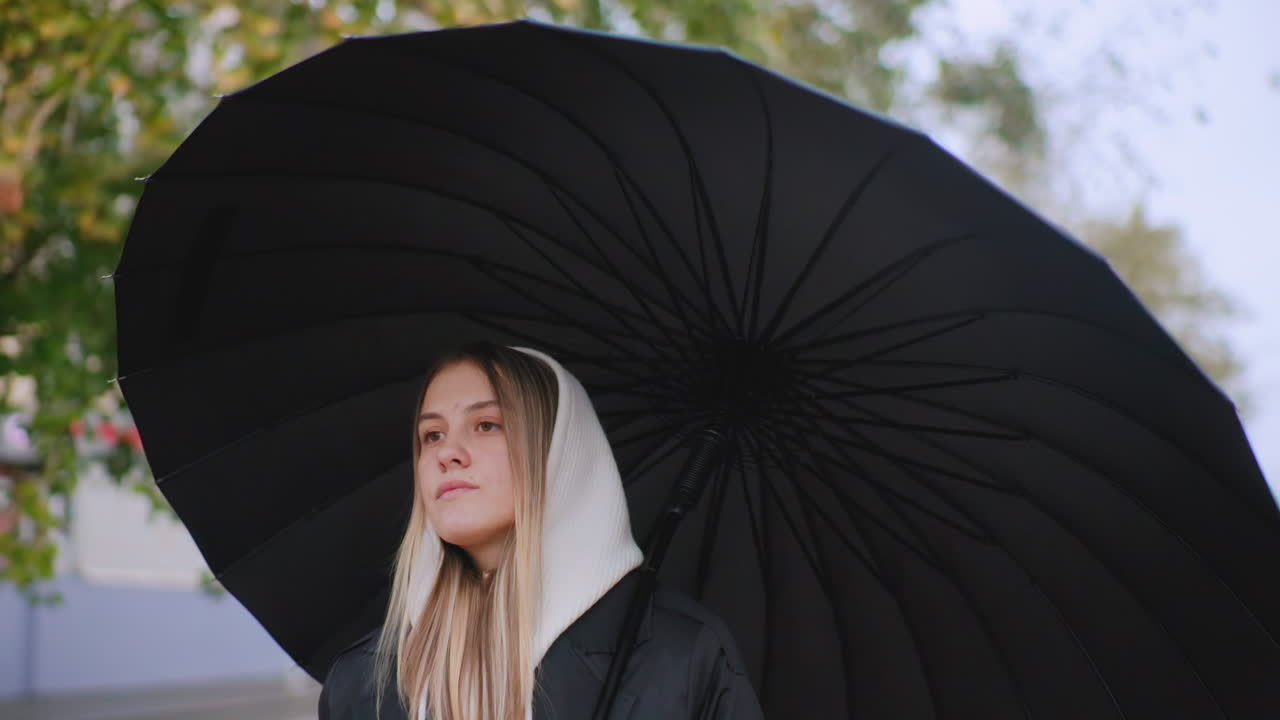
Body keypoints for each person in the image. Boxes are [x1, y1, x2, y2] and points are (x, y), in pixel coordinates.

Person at [318, 342, 765, 720]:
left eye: (487, 425)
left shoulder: (680, 657)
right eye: (431, 435)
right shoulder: (363, 681)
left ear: (557, 450)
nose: (447, 453)